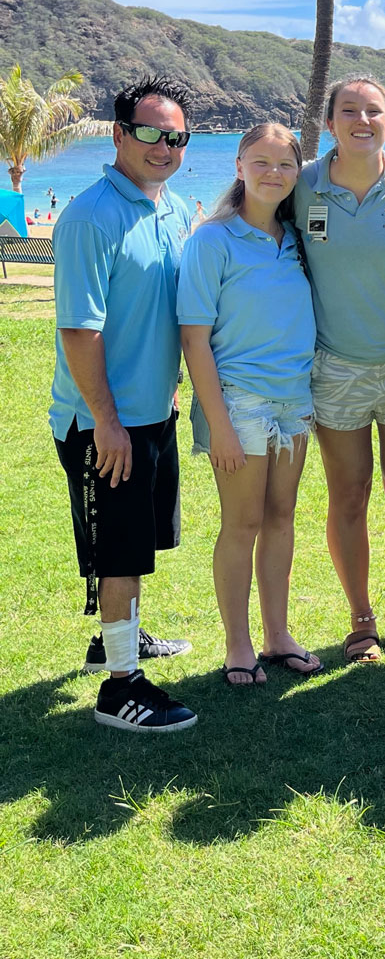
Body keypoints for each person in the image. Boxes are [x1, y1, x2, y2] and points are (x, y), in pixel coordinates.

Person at [49, 76, 197, 732]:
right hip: (105, 422)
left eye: (176, 136)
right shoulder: (89, 216)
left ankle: (119, 637)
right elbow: (80, 330)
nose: (164, 146)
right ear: (118, 134)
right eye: (150, 132)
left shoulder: (173, 208)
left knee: (135, 546)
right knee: (119, 553)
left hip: (152, 412)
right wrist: (106, 422)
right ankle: (121, 688)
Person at [294, 76, 385, 663]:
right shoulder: (300, 186)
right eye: (348, 110)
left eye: (373, 111)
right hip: (334, 368)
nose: (361, 119)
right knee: (348, 494)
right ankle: (360, 619)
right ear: (329, 123)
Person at [178, 124, 321, 686]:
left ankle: (276, 635)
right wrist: (220, 426)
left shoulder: (297, 238)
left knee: (281, 518)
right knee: (242, 522)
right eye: (260, 162)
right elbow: (194, 338)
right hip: (237, 403)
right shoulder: (213, 239)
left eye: (285, 165)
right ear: (239, 166)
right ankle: (238, 645)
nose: (273, 173)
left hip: (295, 401)